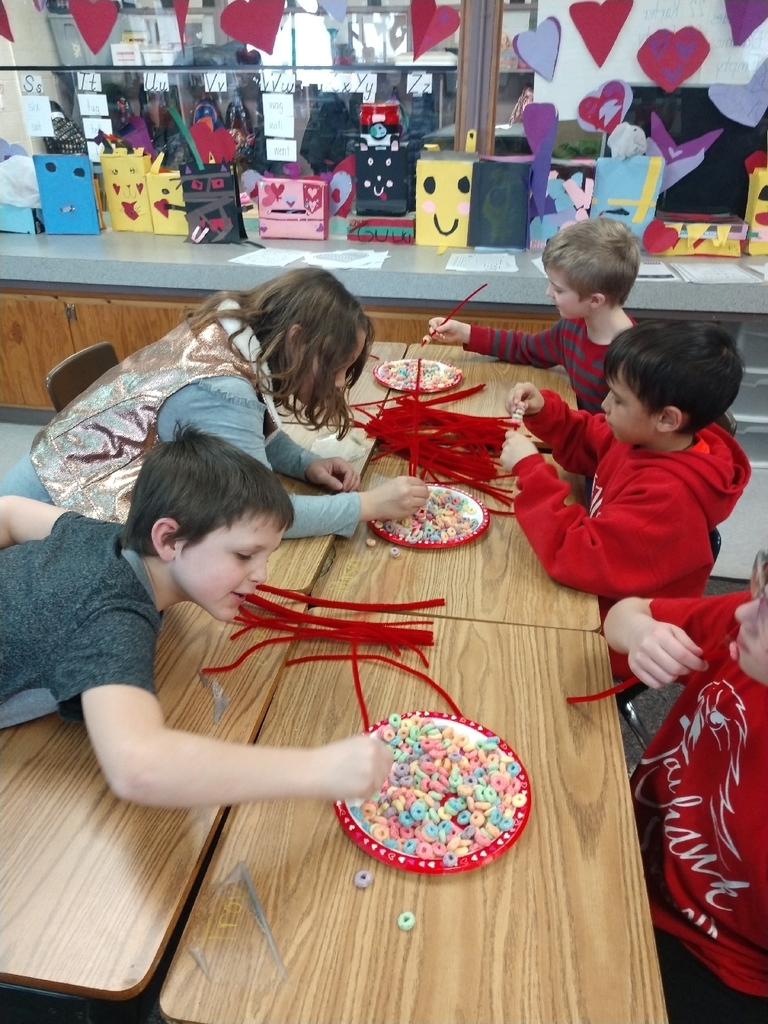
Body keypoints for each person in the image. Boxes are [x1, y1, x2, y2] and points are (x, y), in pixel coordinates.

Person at [0, 428, 392, 808]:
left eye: (265, 557)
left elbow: (10, 510)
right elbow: (139, 767)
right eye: (244, 555)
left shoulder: (100, 537)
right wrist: (317, 769)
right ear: (168, 539)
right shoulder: (112, 617)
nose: (262, 575)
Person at [0, 266, 428, 536]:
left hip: (45, 487)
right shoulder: (221, 390)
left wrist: (303, 463)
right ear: (297, 339)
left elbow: (245, 430)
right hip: (49, 526)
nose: (338, 382)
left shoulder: (233, 333)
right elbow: (259, 515)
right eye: (335, 365)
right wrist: (368, 505)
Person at [499, 321, 750, 675]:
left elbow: (577, 555)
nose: (604, 404)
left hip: (611, 637)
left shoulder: (667, 499)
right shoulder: (645, 437)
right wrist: (545, 410)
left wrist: (531, 471)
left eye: (617, 399)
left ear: (666, 418)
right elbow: (589, 436)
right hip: (593, 592)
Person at [602, 551, 768, 1024]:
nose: (740, 610)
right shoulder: (746, 629)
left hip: (715, 963)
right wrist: (641, 634)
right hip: (629, 854)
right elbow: (625, 613)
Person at [424, 218, 641, 412]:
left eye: (559, 290)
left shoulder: (630, 360)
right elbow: (526, 348)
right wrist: (465, 332)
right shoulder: (572, 327)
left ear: (595, 300)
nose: (549, 293)